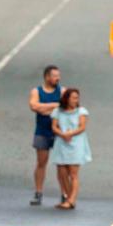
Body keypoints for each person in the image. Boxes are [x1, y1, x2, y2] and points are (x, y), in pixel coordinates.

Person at [49, 87, 91, 210]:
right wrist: (62, 134)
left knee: (73, 174)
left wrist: (70, 134)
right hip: (61, 143)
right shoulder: (58, 111)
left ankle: (72, 200)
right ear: (67, 99)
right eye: (73, 98)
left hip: (76, 143)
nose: (75, 100)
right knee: (62, 172)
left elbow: (82, 127)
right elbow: (54, 126)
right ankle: (67, 197)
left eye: (77, 98)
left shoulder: (81, 111)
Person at [28, 65, 63, 206]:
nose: (57, 78)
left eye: (58, 76)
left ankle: (64, 193)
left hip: (59, 131)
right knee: (41, 162)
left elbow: (65, 106)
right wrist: (54, 105)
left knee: (62, 164)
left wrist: (45, 107)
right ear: (47, 77)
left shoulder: (62, 91)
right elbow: (34, 106)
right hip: (42, 131)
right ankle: (38, 192)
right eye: (54, 76)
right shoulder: (37, 91)